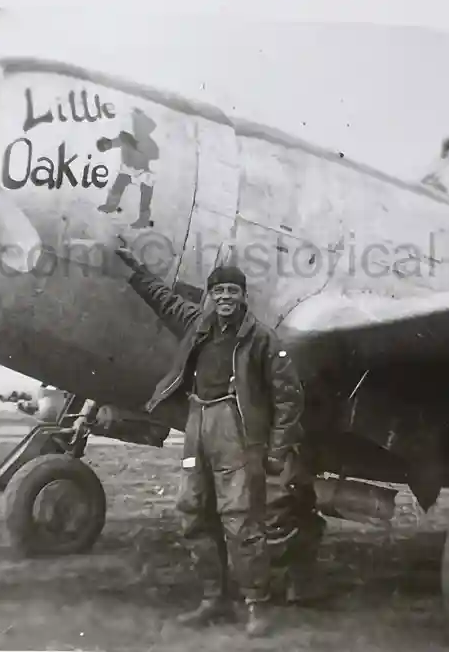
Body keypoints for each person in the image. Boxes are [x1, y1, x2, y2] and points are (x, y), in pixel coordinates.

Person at [114, 240, 307, 637]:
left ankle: (256, 604)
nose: (224, 298)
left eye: (232, 291)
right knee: (193, 510)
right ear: (210, 296)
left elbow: (289, 397)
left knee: (241, 518)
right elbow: (164, 300)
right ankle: (212, 598)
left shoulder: (262, 339)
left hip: (236, 429)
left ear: (243, 297)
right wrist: (136, 271)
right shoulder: (197, 324)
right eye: (218, 291)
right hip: (198, 421)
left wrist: (276, 450)